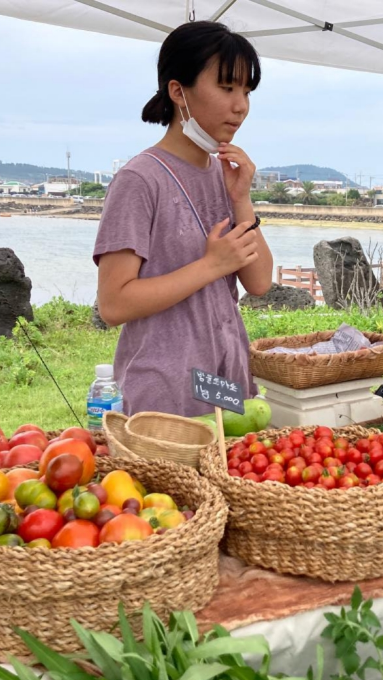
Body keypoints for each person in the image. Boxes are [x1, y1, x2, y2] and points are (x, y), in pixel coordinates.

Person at [94, 21, 273, 417]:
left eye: (246, 91)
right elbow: (113, 303)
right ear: (178, 91)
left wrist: (241, 197)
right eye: (227, 88)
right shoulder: (139, 180)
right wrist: (211, 266)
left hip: (229, 384)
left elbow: (259, 282)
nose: (240, 105)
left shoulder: (223, 175)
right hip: (163, 395)